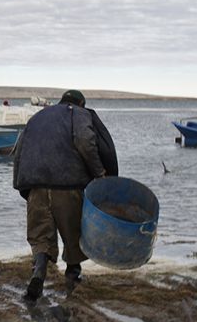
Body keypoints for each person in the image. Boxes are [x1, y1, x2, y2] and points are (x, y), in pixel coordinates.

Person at [12, 89, 118, 301]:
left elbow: (19, 150)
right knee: (73, 236)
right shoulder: (78, 114)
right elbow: (85, 141)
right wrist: (100, 173)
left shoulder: (37, 117)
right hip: (68, 185)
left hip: (36, 187)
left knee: (41, 236)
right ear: (81, 103)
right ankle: (72, 278)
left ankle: (38, 273)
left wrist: (22, 186)